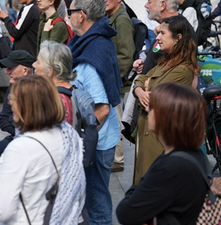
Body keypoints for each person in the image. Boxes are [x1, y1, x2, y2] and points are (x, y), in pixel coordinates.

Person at [0, 75, 86, 224]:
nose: (9, 102)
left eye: (14, 98)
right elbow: (41, 172)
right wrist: (4, 167)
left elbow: (2, 211)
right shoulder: (69, 134)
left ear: (29, 105)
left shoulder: (20, 149)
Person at [116, 82, 208, 225]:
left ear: (165, 117)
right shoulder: (192, 153)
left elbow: (125, 212)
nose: (147, 108)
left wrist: (139, 186)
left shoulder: (170, 167)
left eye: (152, 107)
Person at [67, 0, 121, 223]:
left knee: (96, 203)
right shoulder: (87, 42)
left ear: (82, 15)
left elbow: (102, 109)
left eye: (70, 12)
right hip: (98, 139)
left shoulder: (93, 51)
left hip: (97, 143)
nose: (67, 15)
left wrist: (81, 142)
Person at [132, 15, 199, 184]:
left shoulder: (183, 70)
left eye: (162, 33)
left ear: (178, 38)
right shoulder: (166, 61)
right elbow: (140, 79)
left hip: (160, 141)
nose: (158, 38)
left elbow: (156, 100)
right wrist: (141, 90)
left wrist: (147, 87)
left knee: (152, 190)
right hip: (148, 136)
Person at [105, 0, 135, 173]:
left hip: (116, 79)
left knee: (116, 119)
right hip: (114, 77)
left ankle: (118, 159)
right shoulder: (113, 17)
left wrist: (113, 77)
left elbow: (126, 55)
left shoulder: (121, 20)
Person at [0, 50, 35, 156]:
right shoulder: (13, 85)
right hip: (16, 138)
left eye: (11, 68)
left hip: (31, 145)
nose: (6, 71)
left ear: (24, 70)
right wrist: (17, 131)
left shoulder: (38, 91)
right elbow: (3, 119)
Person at [33, 40, 75, 124]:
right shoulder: (72, 91)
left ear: (50, 71)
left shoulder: (54, 99)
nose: (33, 65)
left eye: (38, 62)